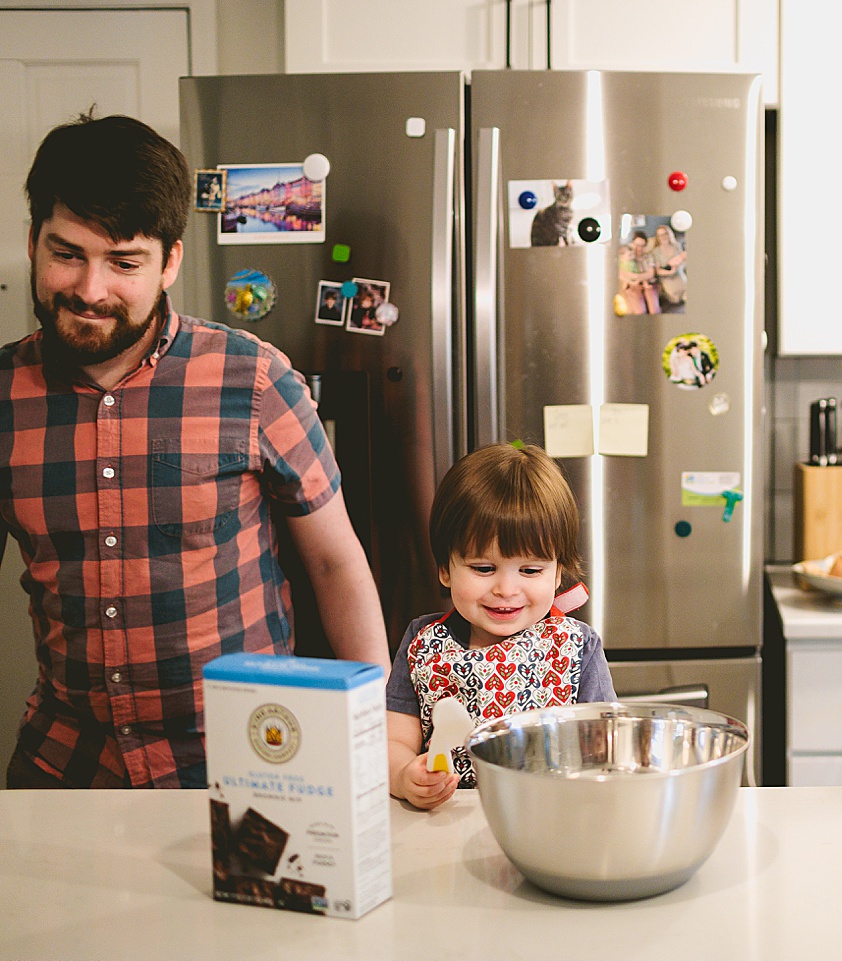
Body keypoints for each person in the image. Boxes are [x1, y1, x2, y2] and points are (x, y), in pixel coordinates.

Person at [2, 113, 389, 789]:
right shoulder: (5, 394)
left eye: (124, 262)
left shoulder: (255, 378)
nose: (90, 289)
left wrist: (381, 732)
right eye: (67, 254)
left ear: (169, 260)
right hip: (67, 763)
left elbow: (333, 562)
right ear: (32, 242)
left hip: (249, 760)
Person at [385, 442, 616, 810]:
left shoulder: (576, 648)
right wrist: (403, 775)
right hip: (444, 827)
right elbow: (393, 742)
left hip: (549, 821)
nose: (505, 590)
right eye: (483, 568)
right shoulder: (422, 644)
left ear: (558, 573)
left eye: (530, 570)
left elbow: (605, 746)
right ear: (445, 569)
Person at [618, 231, 660, 315]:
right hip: (634, 286)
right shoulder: (626, 256)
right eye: (637, 245)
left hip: (649, 285)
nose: (639, 248)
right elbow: (621, 273)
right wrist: (634, 279)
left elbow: (650, 274)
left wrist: (635, 276)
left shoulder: (648, 257)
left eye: (642, 246)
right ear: (632, 244)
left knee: (654, 310)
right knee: (640, 311)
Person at [650, 223, 687, 311]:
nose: (663, 237)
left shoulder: (676, 246)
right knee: (676, 297)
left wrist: (678, 265)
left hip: (679, 274)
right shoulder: (655, 252)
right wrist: (670, 272)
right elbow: (658, 271)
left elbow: (683, 261)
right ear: (657, 238)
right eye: (660, 235)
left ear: (669, 234)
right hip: (667, 278)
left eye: (665, 234)